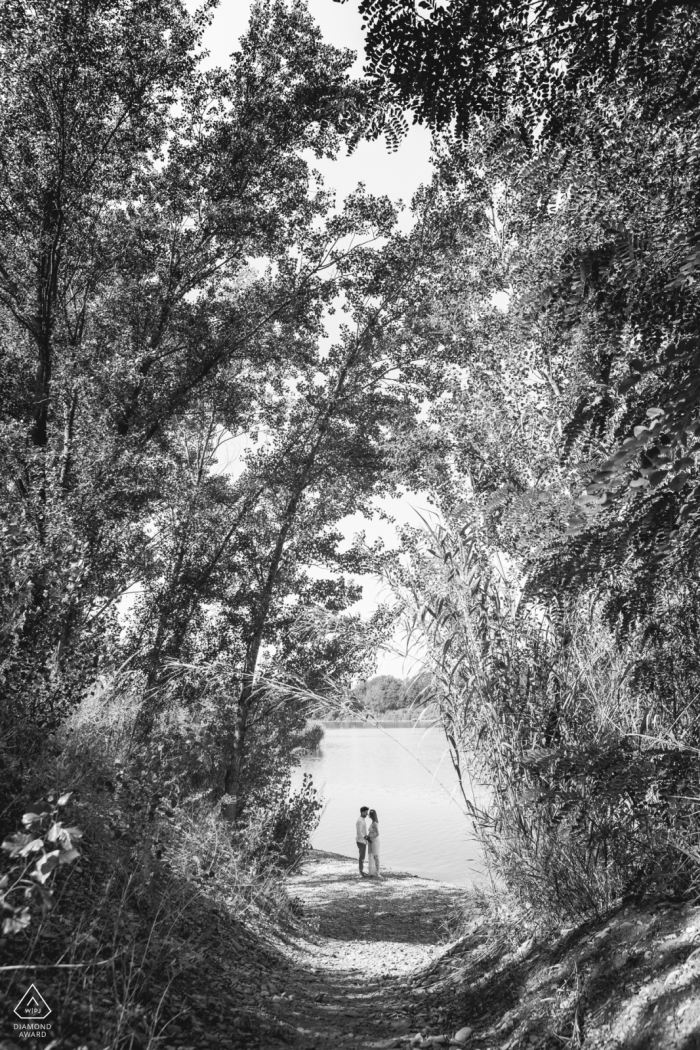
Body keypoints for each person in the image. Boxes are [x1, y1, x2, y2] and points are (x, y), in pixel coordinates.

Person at [366, 809, 382, 878]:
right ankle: (372, 871)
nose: (369, 815)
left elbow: (377, 833)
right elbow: (371, 832)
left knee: (376, 856)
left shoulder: (375, 823)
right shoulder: (372, 822)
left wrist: (371, 839)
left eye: (370, 814)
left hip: (374, 841)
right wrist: (367, 837)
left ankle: (377, 872)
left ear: (372, 815)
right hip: (371, 841)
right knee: (372, 855)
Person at [355, 805, 369, 877]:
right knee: (362, 856)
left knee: (362, 856)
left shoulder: (362, 819)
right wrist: (365, 837)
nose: (367, 814)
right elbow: (359, 832)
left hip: (362, 840)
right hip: (361, 841)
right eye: (366, 812)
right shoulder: (360, 820)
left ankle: (361, 870)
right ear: (363, 812)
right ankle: (361, 871)